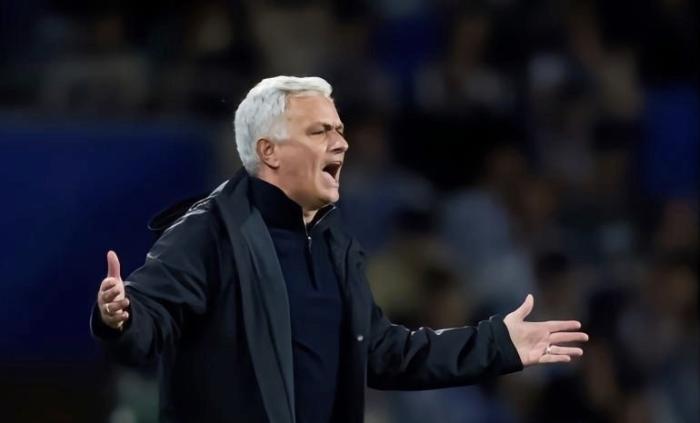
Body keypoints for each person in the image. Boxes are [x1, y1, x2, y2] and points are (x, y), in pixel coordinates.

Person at [91, 76, 588, 423]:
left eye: (340, 130)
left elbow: (383, 353)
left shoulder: (334, 244)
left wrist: (497, 344)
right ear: (269, 151)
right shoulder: (209, 231)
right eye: (320, 131)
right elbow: (147, 321)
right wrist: (120, 317)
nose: (341, 143)